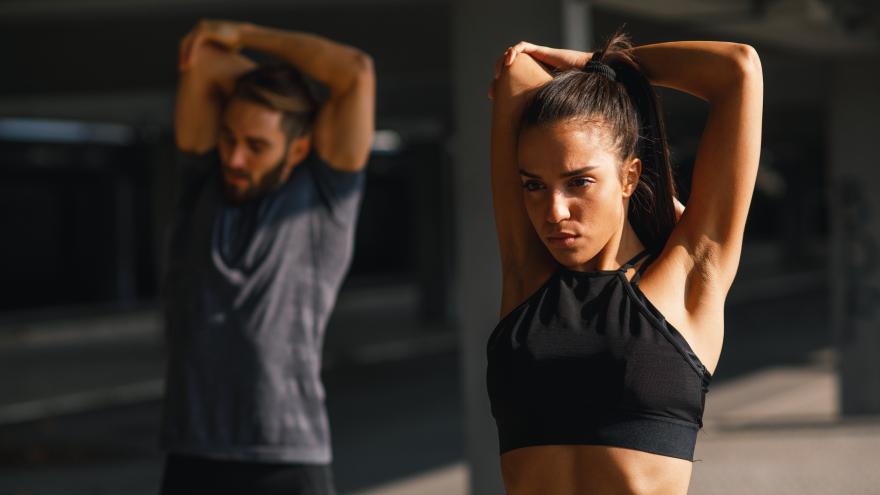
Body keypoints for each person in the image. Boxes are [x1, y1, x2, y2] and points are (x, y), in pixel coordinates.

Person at [486, 31, 762, 495]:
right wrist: (598, 79)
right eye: (533, 186)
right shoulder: (527, 280)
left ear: (630, 175)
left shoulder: (688, 277)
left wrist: (601, 64)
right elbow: (518, 72)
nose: (554, 211)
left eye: (579, 182)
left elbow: (737, 69)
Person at [159, 19, 374, 495]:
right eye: (229, 137)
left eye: (256, 145)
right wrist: (263, 97)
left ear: (298, 147)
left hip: (286, 458)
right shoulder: (202, 181)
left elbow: (355, 71)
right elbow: (204, 62)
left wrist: (245, 36)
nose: (235, 157)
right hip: (191, 452)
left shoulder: (324, 195)